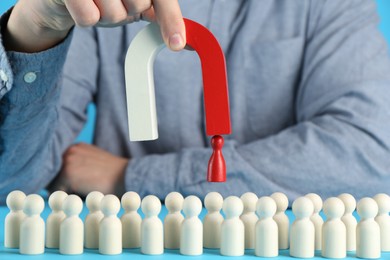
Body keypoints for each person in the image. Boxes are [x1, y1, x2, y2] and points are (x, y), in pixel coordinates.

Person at [1, 0, 390, 204]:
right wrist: (34, 31)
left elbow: (369, 152)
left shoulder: (329, 4)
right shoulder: (99, 6)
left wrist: (128, 177)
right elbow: (12, 182)